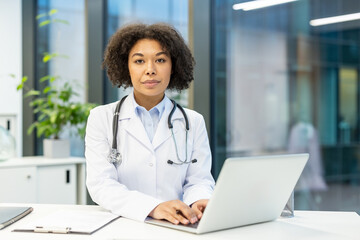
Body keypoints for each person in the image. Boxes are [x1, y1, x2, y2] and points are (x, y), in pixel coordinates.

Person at [85, 23, 215, 225]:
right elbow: (101, 184)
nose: (150, 70)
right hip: (123, 225)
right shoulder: (101, 118)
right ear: (125, 67)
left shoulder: (193, 121)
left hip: (178, 225)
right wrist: (153, 207)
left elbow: (199, 180)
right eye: (139, 61)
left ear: (174, 66)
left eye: (160, 60)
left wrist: (199, 201)